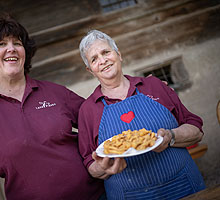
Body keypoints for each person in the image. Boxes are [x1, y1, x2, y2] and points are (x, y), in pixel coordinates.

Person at [0, 15, 104, 200]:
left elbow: (98, 122)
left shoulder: (54, 92)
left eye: (17, 43)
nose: (11, 48)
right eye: (2, 44)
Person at [78, 30, 206, 200]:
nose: (102, 61)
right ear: (90, 70)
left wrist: (171, 136)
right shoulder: (88, 110)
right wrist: (103, 168)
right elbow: (90, 163)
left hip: (185, 186)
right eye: (94, 59)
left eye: (106, 52)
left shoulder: (154, 85)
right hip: (128, 196)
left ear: (119, 54)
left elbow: (196, 131)